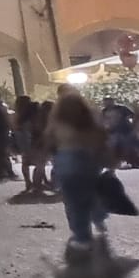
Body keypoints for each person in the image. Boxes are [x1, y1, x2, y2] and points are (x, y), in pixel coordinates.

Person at [47, 93, 111, 259]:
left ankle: (82, 236)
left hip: (66, 160)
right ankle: (98, 216)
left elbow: (49, 142)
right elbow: (102, 140)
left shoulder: (57, 123)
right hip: (89, 160)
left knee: (73, 201)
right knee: (90, 194)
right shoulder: (90, 122)